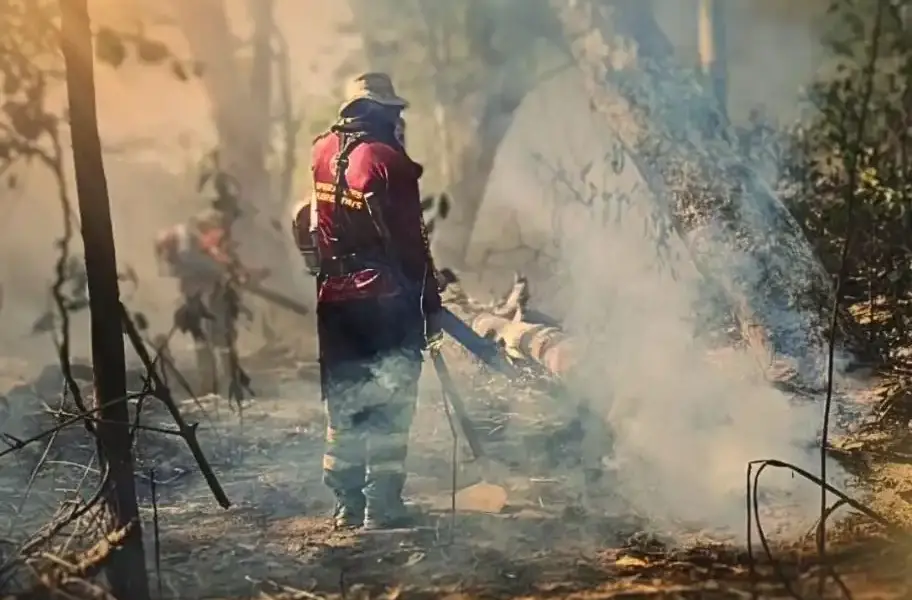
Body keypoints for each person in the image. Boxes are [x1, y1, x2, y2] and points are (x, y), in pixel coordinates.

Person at [291, 72, 443, 531]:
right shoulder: (388, 162)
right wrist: (428, 300)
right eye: (395, 112)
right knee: (392, 398)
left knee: (345, 399)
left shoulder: (321, 150)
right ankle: (382, 506)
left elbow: (305, 220)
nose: (399, 120)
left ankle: (346, 506)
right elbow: (410, 244)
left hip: (333, 300)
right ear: (382, 113)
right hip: (384, 300)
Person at [155, 174, 269, 396]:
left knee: (214, 336)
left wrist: (242, 271)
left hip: (202, 286)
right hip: (203, 287)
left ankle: (218, 389)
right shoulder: (208, 225)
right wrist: (227, 271)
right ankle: (214, 389)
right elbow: (200, 258)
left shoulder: (208, 225)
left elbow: (223, 257)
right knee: (213, 336)